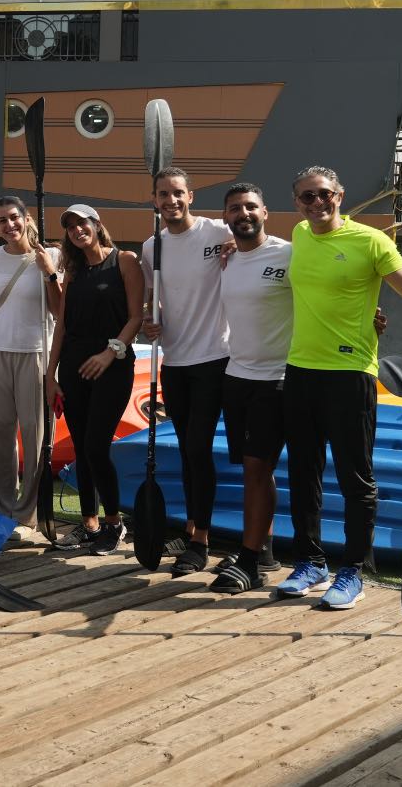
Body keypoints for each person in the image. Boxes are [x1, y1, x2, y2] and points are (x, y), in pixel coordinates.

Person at [276, 165, 402, 610]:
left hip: (350, 374)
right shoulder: (298, 234)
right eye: (307, 197)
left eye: (323, 195)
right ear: (297, 202)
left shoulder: (372, 240)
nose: (316, 204)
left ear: (340, 195)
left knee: (356, 477)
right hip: (299, 371)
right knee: (303, 473)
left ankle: (352, 569)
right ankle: (310, 562)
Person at [139, 167, 233, 577]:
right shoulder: (150, 248)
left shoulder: (217, 232)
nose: (171, 200)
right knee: (187, 450)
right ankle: (192, 525)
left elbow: (262, 245)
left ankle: (201, 541)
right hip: (174, 362)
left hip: (216, 357)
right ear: (155, 200)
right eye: (163, 194)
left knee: (198, 448)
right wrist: (149, 320)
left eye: (178, 193)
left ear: (191, 196)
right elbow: (151, 301)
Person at [46, 206, 144, 555]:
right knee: (82, 448)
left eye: (81, 223)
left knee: (96, 446)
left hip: (111, 367)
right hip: (73, 369)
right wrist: (50, 374)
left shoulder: (125, 260)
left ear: (97, 225)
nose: (76, 230)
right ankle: (89, 523)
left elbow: (136, 317)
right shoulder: (73, 272)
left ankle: (115, 524)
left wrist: (110, 352)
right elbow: (62, 324)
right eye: (70, 226)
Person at [207, 185, 289, 594]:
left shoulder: (290, 254)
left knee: (259, 468)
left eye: (251, 206)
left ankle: (251, 561)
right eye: (236, 208)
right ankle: (264, 549)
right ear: (226, 216)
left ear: (266, 212)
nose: (244, 213)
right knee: (253, 471)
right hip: (236, 376)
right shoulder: (229, 258)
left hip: (277, 379)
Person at [0, 197, 61, 531]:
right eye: (1, 221)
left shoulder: (51, 255)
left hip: (36, 352)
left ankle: (27, 516)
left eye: (14, 218)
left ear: (27, 219)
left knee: (36, 435)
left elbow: (59, 310)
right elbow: (1, 302)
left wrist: (49, 273)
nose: (9, 225)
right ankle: (4, 509)